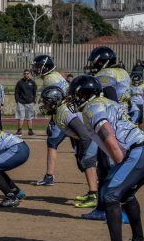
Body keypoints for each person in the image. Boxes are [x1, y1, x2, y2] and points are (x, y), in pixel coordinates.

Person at [69, 75, 144, 241]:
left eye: (76, 95)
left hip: (139, 151)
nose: (73, 98)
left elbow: (108, 134)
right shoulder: (106, 102)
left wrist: (119, 160)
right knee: (126, 194)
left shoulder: (91, 108)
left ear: (84, 94)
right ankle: (138, 240)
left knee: (110, 194)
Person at [39, 86, 99, 210]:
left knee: (87, 162)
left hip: (92, 136)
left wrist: (81, 153)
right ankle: (93, 193)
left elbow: (83, 134)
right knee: (87, 163)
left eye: (46, 101)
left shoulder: (64, 112)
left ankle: (95, 196)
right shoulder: (59, 111)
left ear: (54, 100)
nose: (44, 104)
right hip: (88, 136)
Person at [31, 54, 69, 186]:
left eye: (37, 67)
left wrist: (50, 116)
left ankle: (49, 176)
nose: (35, 69)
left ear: (45, 67)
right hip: (71, 113)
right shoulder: (56, 75)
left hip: (62, 115)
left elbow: (53, 101)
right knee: (82, 146)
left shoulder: (49, 79)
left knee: (52, 142)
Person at [14, 69, 37, 135]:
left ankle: (30, 131)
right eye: (25, 73)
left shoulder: (32, 82)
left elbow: (35, 92)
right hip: (21, 103)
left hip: (30, 103)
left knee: (29, 118)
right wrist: (17, 100)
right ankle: (19, 131)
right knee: (20, 117)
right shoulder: (20, 82)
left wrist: (34, 100)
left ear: (29, 74)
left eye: (27, 73)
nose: (26, 74)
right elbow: (16, 92)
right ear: (23, 74)